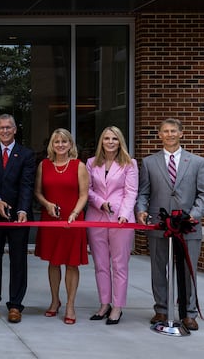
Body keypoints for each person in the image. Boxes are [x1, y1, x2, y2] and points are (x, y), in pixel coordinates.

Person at [137, 118, 203, 331]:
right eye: (165, 131)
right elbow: (144, 192)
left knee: (188, 269)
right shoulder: (149, 162)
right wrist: (141, 210)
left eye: (173, 131)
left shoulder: (197, 162)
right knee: (158, 268)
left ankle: (188, 313)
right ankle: (161, 310)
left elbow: (202, 193)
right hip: (160, 224)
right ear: (159, 135)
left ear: (181, 133)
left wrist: (194, 214)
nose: (170, 134)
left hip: (188, 225)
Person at [0, 114, 36, 323]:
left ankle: (15, 304)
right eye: (1, 127)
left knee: (18, 260)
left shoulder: (27, 155)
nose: (4, 130)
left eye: (8, 127)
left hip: (19, 216)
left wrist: (22, 209)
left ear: (15, 130)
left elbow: (27, 185)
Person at [34, 128, 89, 325]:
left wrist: (74, 213)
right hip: (50, 218)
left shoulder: (78, 166)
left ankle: (70, 305)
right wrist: (47, 204)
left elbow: (84, 194)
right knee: (53, 261)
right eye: (57, 141)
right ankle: (55, 300)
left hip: (73, 218)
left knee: (71, 263)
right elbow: (38, 192)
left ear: (70, 144)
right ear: (52, 145)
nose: (60, 145)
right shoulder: (44, 165)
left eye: (64, 141)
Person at [85, 126, 137, 325]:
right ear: (102, 141)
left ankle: (117, 307)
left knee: (119, 264)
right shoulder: (91, 163)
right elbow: (87, 190)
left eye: (114, 138)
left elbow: (131, 192)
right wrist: (100, 203)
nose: (110, 142)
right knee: (100, 265)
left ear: (120, 141)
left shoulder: (129, 164)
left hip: (120, 219)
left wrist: (123, 214)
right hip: (95, 218)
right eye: (106, 138)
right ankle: (104, 303)